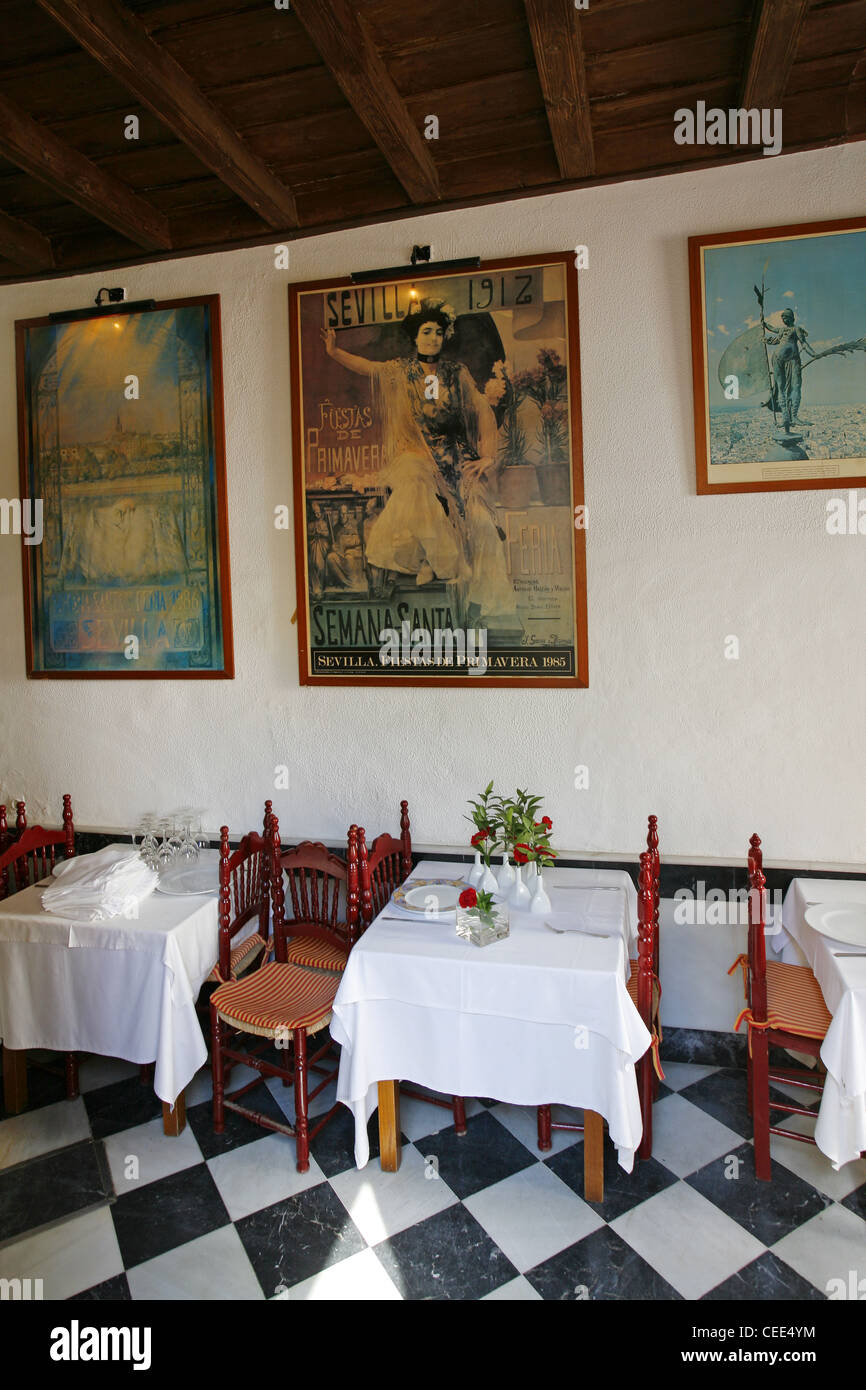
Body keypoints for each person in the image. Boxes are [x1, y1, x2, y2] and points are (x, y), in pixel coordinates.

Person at [321, 299, 515, 621]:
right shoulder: (399, 371)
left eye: (438, 332)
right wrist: (334, 352)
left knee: (481, 524)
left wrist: (488, 456)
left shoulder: (456, 374)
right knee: (413, 486)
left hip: (455, 462)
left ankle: (482, 605)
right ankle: (446, 562)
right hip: (414, 458)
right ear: (415, 337)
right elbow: (367, 367)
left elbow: (482, 408)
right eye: (426, 332)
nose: (433, 338)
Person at [763, 307, 818, 431]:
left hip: (793, 360)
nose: (783, 319)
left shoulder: (796, 329)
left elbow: (804, 343)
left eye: (786, 317)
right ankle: (785, 418)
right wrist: (764, 324)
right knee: (780, 387)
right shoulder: (781, 330)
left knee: (796, 386)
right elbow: (772, 329)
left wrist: (813, 354)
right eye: (782, 317)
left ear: (792, 318)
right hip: (777, 359)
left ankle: (794, 416)